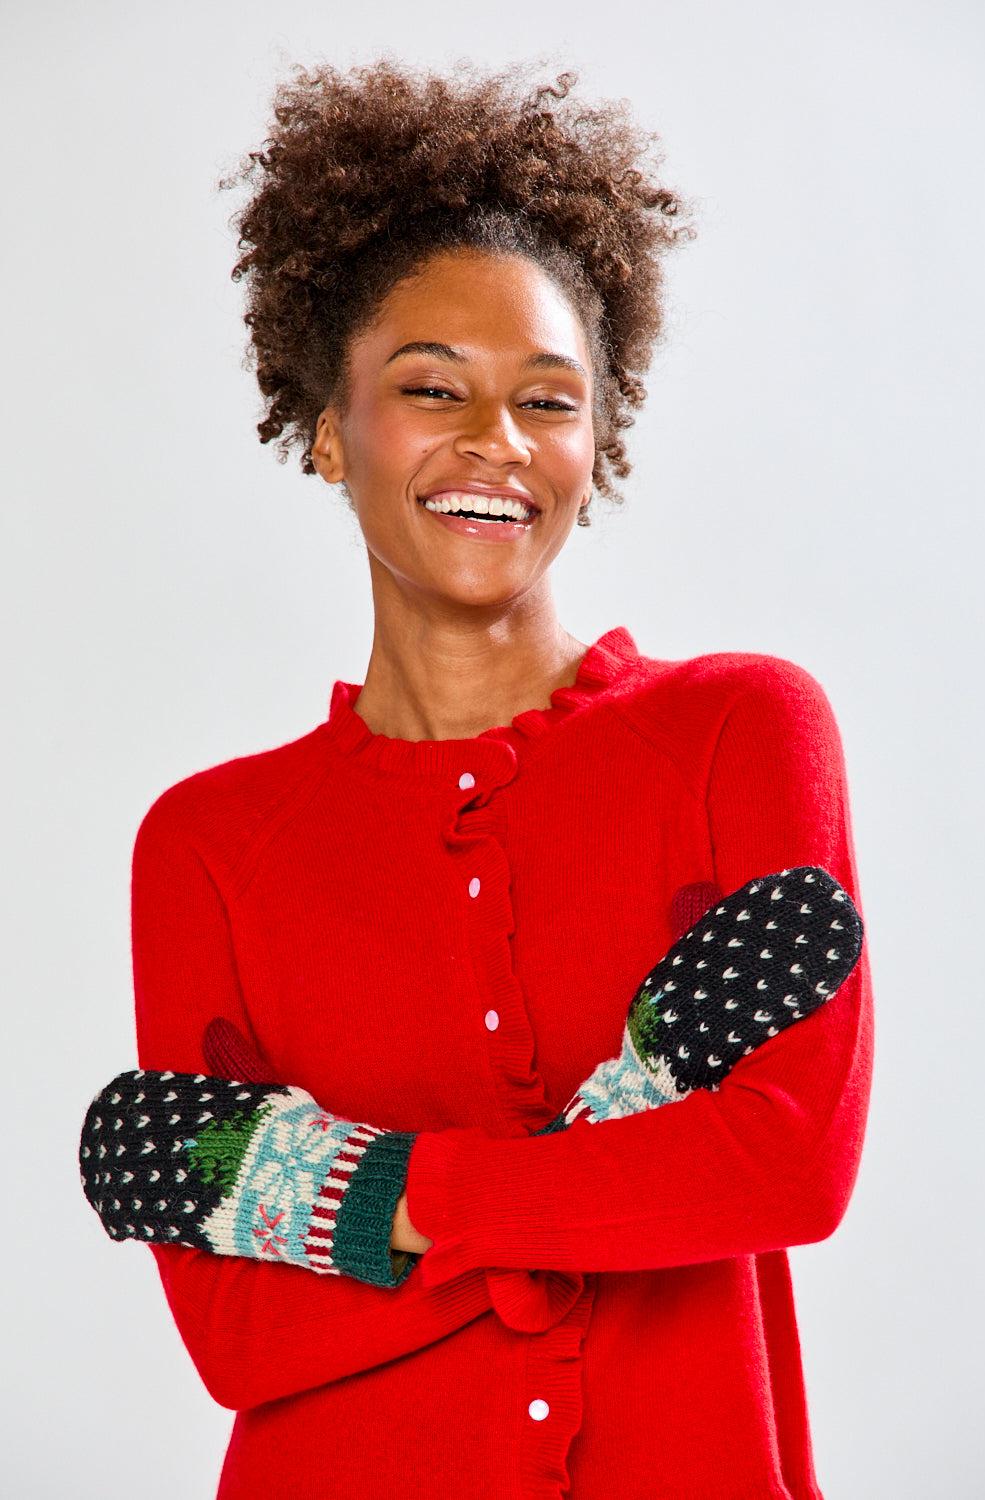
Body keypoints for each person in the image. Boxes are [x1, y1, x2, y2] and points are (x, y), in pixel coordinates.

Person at [127, 62, 873, 1500]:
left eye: (550, 399)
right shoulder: (211, 844)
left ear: (600, 447)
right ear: (330, 430)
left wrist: (360, 1197)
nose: (499, 442)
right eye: (430, 389)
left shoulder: (742, 733)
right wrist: (635, 1150)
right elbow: (234, 1338)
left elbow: (788, 1168)